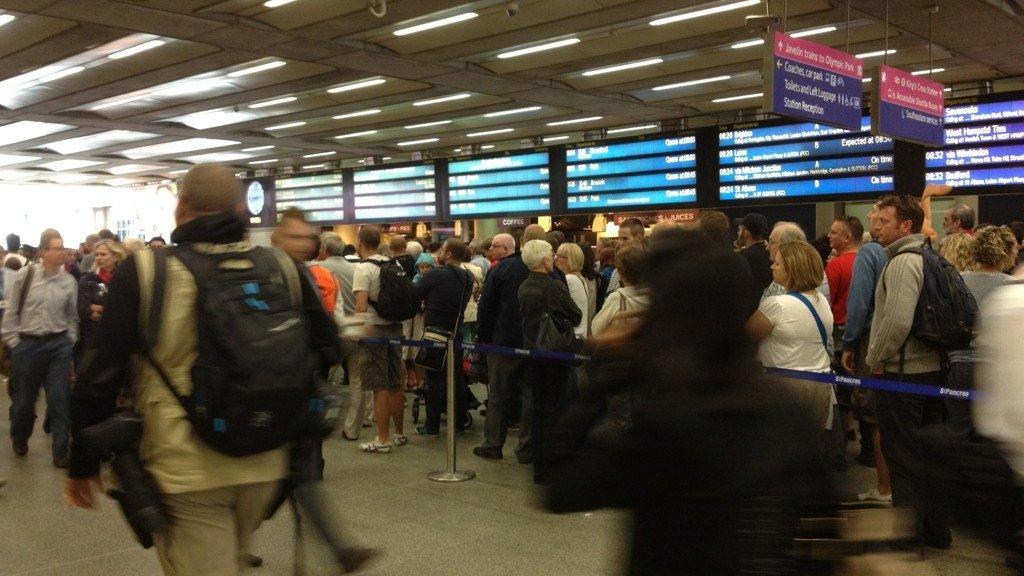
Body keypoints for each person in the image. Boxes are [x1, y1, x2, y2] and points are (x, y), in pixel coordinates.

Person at [63, 165, 342, 575]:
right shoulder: (282, 267)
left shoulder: (146, 272)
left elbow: (98, 377)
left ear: (180, 208)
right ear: (240, 210)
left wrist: (82, 463)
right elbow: (328, 349)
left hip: (186, 467)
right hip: (267, 458)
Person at [547, 228, 833, 575]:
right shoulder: (786, 414)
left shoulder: (667, 426)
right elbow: (823, 538)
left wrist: (607, 376)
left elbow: (563, 487)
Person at [865, 193, 951, 549]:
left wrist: (875, 358)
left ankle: (905, 540)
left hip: (903, 374)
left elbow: (896, 322)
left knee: (902, 456)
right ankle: (934, 530)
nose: (876, 226)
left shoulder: (902, 262)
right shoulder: (931, 257)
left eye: (885, 221)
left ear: (906, 226)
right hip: (929, 371)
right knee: (924, 455)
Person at [746, 241, 837, 443]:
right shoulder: (821, 300)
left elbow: (745, 337)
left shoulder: (777, 304)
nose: (772, 266)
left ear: (792, 269)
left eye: (777, 264)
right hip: (820, 385)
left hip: (785, 389)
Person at [1, 229, 77, 468]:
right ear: (43, 252)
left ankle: (60, 451)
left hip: (58, 346)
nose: (63, 252)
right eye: (57, 248)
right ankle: (20, 437)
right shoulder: (26, 276)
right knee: (24, 402)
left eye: (64, 247)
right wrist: (15, 344)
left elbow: (72, 316)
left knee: (60, 398)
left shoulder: (69, 281)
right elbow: (11, 312)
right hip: (28, 345)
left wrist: (69, 340)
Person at [944, 226, 1019, 433]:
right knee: (994, 437)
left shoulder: (957, 281)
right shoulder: (1014, 287)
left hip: (959, 366)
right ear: (1009, 252)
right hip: (996, 370)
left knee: (959, 433)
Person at [517, 239, 581, 482]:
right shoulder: (554, 286)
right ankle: (550, 467)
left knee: (538, 407)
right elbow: (576, 315)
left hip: (531, 352)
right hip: (554, 353)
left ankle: (538, 468)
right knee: (555, 408)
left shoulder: (523, 286)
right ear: (545, 260)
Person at [473, 233, 529, 461]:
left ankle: (493, 444)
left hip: (502, 342)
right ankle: (526, 448)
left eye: (494, 247)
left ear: (505, 249)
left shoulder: (498, 271)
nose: (490, 250)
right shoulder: (530, 267)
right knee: (528, 396)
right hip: (530, 342)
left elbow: (486, 308)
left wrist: (483, 340)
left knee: (497, 396)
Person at [353, 225, 407, 454]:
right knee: (396, 382)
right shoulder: (392, 263)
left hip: (374, 330)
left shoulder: (364, 268)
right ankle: (399, 433)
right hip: (395, 327)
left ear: (360, 242)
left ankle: (382, 439)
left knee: (379, 385)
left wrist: (356, 330)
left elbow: (361, 306)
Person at [414, 239, 474, 436]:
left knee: (433, 378)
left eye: (442, 250)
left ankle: (432, 425)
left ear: (448, 254)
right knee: (454, 378)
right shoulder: (467, 277)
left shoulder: (434, 274)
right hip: (455, 332)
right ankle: (456, 421)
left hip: (434, 332)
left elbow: (416, 295)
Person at [76, 239, 125, 361]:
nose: (98, 258)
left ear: (115, 257)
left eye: (103, 254)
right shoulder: (88, 278)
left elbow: (124, 308)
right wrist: (110, 309)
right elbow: (83, 309)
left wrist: (98, 307)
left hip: (118, 335)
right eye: (96, 254)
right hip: (92, 336)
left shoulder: (123, 279)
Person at [825, 217, 864, 353]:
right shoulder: (869, 262)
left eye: (833, 232)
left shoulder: (835, 265)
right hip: (865, 331)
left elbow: (826, 302)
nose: (828, 235)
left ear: (847, 238)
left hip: (840, 334)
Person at [592, 246, 647, 337]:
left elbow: (595, 330)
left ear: (620, 271)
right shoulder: (652, 296)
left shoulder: (617, 297)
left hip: (624, 348)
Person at [555, 243, 593, 340]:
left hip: (573, 335)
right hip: (580, 335)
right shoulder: (580, 278)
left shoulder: (569, 279)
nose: (555, 259)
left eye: (559, 256)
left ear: (569, 260)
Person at [606, 218, 645, 294]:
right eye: (619, 238)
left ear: (639, 238)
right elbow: (608, 298)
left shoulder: (653, 268)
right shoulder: (617, 271)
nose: (620, 243)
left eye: (625, 238)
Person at [737, 214, 772, 296]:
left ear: (745, 233)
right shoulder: (772, 253)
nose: (738, 233)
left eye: (739, 230)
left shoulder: (743, 257)